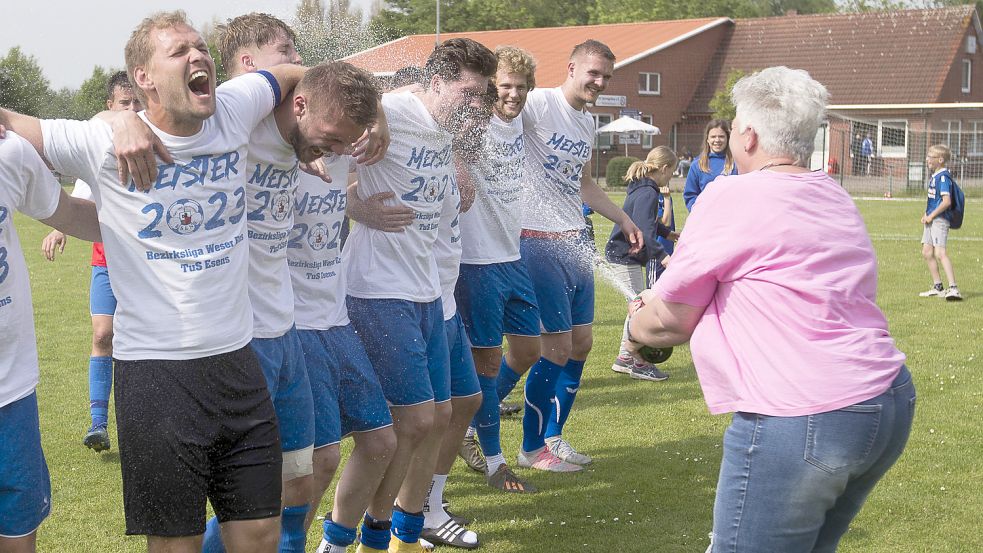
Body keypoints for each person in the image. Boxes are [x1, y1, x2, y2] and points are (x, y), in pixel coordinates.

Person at [1, 10, 311, 552]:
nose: (198, 57)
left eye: (200, 48)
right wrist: (116, 119)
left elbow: (290, 74)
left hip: (239, 359)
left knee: (261, 531)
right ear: (144, 78)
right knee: (176, 543)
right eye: (178, 52)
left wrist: (318, 129)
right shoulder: (97, 141)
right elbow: (9, 122)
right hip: (157, 376)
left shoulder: (234, 108)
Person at [627, 66, 914, 553]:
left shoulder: (731, 194)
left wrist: (635, 327)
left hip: (803, 413)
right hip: (885, 400)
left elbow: (670, 322)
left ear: (748, 134)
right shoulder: (833, 193)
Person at [193, 14, 385, 553]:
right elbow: (151, 114)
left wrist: (371, 122)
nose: (297, 62)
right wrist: (122, 122)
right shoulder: (227, 116)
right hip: (238, 335)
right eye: (286, 52)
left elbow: (341, 95)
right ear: (252, 66)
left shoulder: (302, 135)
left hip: (286, 330)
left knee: (302, 477)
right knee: (252, 495)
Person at [342, 37, 496, 553]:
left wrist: (459, 167)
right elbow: (319, 155)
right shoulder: (390, 110)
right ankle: (364, 537)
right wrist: (355, 207)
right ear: (435, 81)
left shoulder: (444, 132)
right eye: (468, 92)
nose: (476, 105)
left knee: (441, 416)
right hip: (380, 291)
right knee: (412, 422)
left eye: (483, 96)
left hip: (431, 294)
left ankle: (407, 533)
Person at [514, 39, 643, 472]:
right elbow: (498, 112)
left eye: (606, 76)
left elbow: (583, 183)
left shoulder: (586, 123)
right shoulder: (538, 103)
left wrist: (623, 219)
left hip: (575, 240)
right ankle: (528, 447)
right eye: (593, 73)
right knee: (552, 347)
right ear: (571, 68)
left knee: (582, 345)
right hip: (537, 238)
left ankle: (553, 436)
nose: (600, 82)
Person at [0, 130, 102, 553]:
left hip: (10, 391)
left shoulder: (8, 152)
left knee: (18, 533)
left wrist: (149, 220)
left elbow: (71, 214)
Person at [38, 70, 141, 453]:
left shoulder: (153, 143)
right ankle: (98, 422)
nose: (131, 111)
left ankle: (142, 423)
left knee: (140, 345)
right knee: (102, 334)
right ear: (109, 107)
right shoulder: (98, 144)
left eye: (137, 103)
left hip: (148, 265)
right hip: (106, 261)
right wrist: (61, 228)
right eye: (124, 104)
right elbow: (83, 187)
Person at [454, 46, 541, 493]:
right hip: (477, 263)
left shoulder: (520, 123)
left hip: (512, 257)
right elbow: (446, 138)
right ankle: (493, 462)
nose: (514, 94)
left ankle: (470, 420)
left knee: (528, 349)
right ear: (490, 87)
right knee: (486, 364)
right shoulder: (474, 124)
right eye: (505, 85)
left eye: (521, 87)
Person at [605, 146, 677, 382]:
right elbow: (645, 232)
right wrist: (663, 256)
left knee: (638, 305)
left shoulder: (643, 188)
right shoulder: (648, 193)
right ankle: (629, 359)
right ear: (664, 169)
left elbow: (645, 222)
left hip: (624, 254)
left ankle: (628, 358)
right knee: (639, 307)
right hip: (624, 255)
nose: (671, 178)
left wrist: (667, 234)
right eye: (672, 172)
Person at [918, 144, 962, 301]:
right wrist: (926, 214)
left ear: (940, 160)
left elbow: (946, 202)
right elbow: (933, 200)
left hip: (940, 220)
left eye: (931, 157)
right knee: (927, 252)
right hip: (931, 219)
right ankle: (938, 287)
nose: (927, 159)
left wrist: (932, 216)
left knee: (940, 253)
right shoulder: (935, 176)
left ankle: (954, 289)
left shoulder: (943, 177)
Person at [683, 119, 737, 211]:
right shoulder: (697, 165)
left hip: (731, 216)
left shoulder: (736, 163)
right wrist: (699, 212)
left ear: (727, 138)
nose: (717, 140)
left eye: (721, 136)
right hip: (705, 218)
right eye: (713, 136)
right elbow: (690, 195)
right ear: (707, 139)